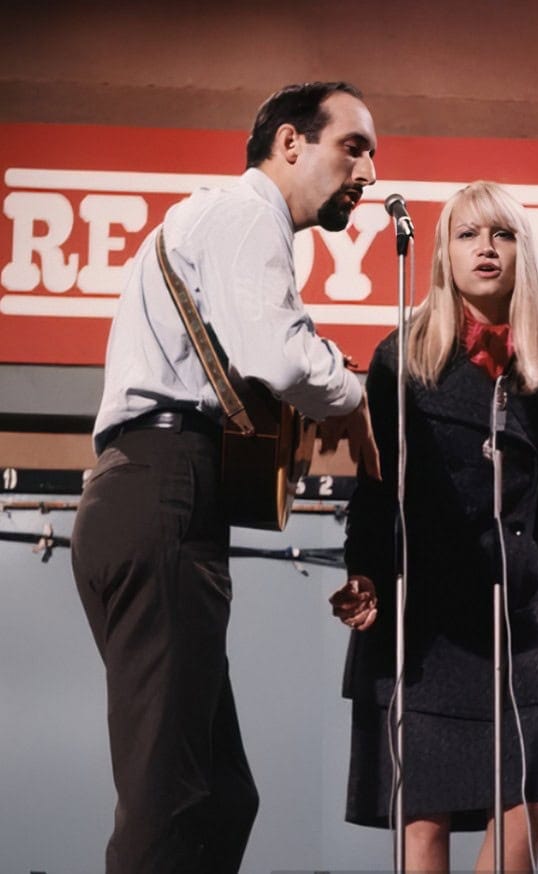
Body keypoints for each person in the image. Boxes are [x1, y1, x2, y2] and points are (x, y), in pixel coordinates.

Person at [71, 81, 380, 874]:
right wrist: (351, 393)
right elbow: (275, 357)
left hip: (157, 495)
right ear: (288, 143)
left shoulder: (219, 220)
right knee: (170, 797)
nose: (370, 172)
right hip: (162, 491)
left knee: (217, 794)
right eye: (354, 145)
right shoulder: (248, 214)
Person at [331, 180, 538, 873]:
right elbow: (376, 490)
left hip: (519, 622)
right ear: (443, 252)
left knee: (522, 820)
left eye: (501, 234)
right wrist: (364, 576)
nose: (486, 249)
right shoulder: (399, 354)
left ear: (522, 250)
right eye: (468, 234)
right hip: (426, 622)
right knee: (422, 825)